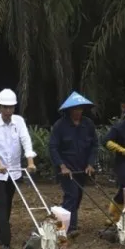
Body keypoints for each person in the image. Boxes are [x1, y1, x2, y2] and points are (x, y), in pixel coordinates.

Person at [0, 88, 37, 249]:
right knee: (2, 203)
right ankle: (5, 242)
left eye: (11, 107)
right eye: (5, 107)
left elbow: (26, 141)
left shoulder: (19, 121)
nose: (8, 111)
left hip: (14, 170)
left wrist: (30, 161)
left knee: (7, 206)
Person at [48, 91, 98, 237]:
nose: (78, 112)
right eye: (75, 109)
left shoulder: (88, 124)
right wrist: (61, 166)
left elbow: (94, 145)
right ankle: (71, 227)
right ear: (69, 110)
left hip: (82, 168)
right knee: (72, 195)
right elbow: (53, 147)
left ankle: (60, 220)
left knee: (78, 196)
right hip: (66, 169)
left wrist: (90, 164)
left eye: (80, 109)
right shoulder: (60, 126)